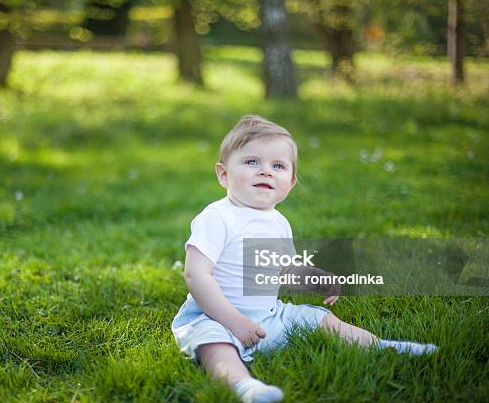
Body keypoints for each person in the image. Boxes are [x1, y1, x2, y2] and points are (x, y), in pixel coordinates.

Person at [171, 115, 437, 403]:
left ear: (291, 181)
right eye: (251, 162)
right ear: (223, 175)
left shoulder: (278, 223)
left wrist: (317, 280)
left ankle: (381, 346)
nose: (265, 172)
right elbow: (196, 275)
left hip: (268, 317)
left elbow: (282, 272)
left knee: (320, 319)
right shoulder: (217, 217)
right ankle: (246, 387)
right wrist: (234, 321)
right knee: (214, 346)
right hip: (213, 317)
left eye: (278, 166)